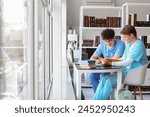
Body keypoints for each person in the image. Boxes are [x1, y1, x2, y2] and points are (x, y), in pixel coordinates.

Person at [93, 25, 148, 100]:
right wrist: (109, 60)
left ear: (131, 35)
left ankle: (99, 103)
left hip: (133, 74)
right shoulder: (129, 44)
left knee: (109, 81)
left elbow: (127, 62)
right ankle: (95, 101)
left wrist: (111, 63)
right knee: (103, 79)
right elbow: (123, 58)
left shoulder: (138, 45)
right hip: (127, 71)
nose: (124, 39)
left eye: (125, 37)